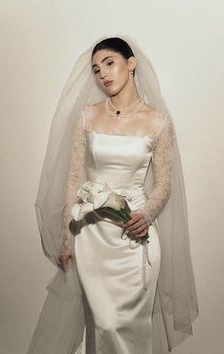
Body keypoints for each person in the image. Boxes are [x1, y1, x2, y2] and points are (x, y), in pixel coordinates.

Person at [27, 36, 198, 354]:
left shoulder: (157, 122)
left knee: (133, 328)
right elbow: (73, 180)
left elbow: (164, 184)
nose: (102, 73)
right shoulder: (87, 116)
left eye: (109, 63)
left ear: (131, 64)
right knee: (103, 326)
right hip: (92, 238)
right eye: (95, 69)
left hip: (135, 237)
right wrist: (67, 240)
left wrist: (145, 215)